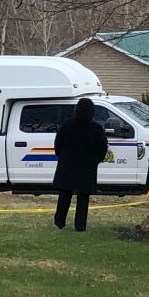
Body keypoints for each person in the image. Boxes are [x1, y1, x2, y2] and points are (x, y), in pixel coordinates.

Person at [52, 98, 109, 232]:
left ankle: (59, 221)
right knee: (83, 197)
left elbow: (58, 144)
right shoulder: (96, 128)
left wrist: (62, 156)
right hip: (87, 167)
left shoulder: (67, 125)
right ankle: (80, 225)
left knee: (65, 194)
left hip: (67, 165)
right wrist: (96, 160)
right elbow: (102, 148)